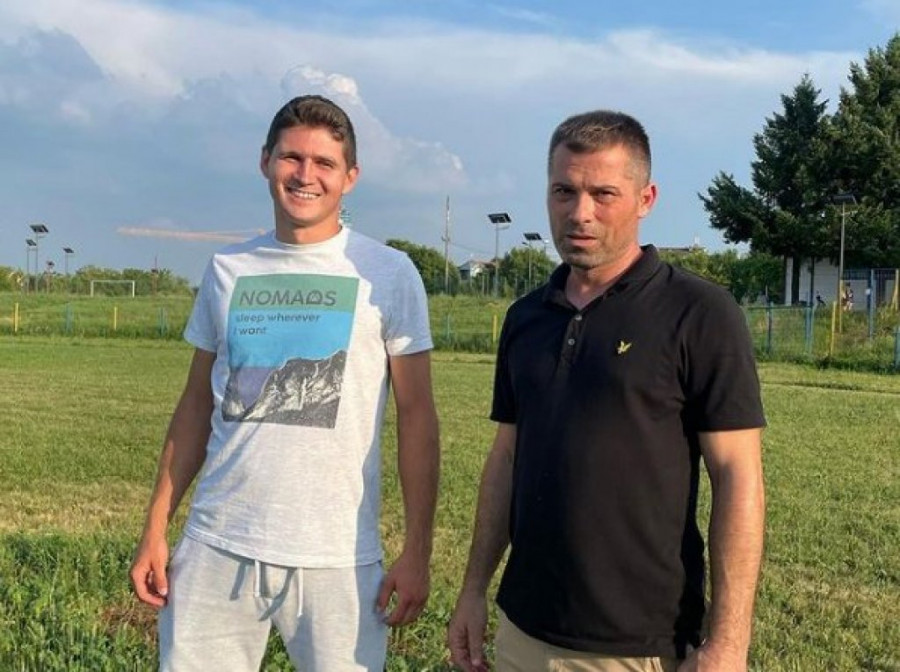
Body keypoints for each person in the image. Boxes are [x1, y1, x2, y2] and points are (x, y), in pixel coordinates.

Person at [130, 95, 440, 672]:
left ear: (350, 177)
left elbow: (418, 416)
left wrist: (417, 550)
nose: (305, 175)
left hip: (338, 558)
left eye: (324, 163)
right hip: (218, 544)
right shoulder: (227, 269)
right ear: (265, 161)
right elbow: (196, 404)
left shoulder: (388, 273)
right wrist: (155, 526)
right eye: (291, 157)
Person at [448, 110, 766, 672]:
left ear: (645, 199)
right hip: (522, 630)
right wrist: (474, 590)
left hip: (638, 646)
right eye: (564, 191)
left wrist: (728, 641)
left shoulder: (699, 313)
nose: (580, 212)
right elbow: (506, 458)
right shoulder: (526, 318)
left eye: (603, 194)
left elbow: (737, 475)